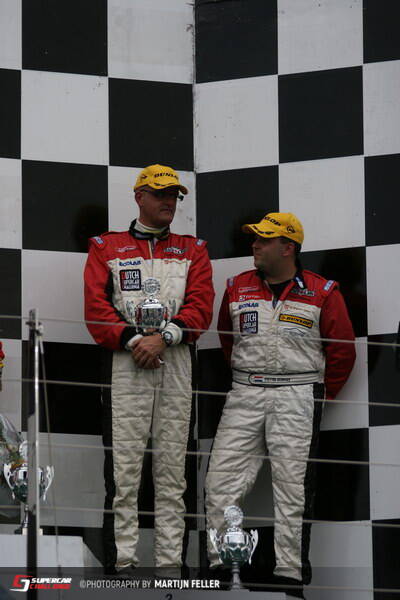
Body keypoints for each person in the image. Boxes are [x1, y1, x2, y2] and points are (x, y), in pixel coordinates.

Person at [205, 212, 355, 599]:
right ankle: (223, 569)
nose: (254, 245)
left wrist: (317, 396)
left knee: (293, 490)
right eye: (254, 238)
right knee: (220, 482)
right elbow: (227, 339)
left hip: (298, 395)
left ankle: (290, 578)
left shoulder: (323, 291)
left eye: (264, 239)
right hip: (245, 392)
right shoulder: (237, 286)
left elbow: (342, 352)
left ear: (288, 247)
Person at [84, 164, 214, 574]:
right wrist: (136, 341)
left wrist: (166, 337)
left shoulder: (194, 249)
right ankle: (122, 567)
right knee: (124, 472)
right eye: (160, 194)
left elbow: (201, 306)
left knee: (173, 473)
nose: (168, 201)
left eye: (174, 195)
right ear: (139, 196)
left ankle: (170, 567)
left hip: (176, 361)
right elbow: (95, 309)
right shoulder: (106, 246)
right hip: (125, 362)